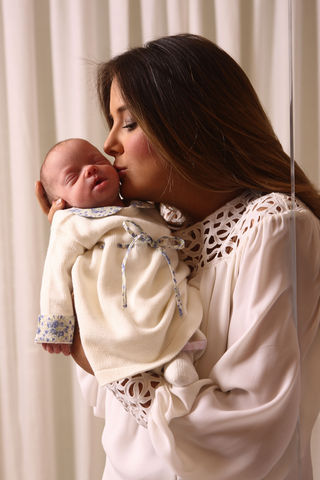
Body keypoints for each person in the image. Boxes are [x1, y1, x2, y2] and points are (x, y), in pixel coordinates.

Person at [36, 34, 320, 480]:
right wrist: (82, 252)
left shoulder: (274, 226)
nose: (108, 144)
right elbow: (106, 407)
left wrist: (106, 363)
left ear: (188, 123)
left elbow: (249, 433)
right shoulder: (150, 234)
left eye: (127, 123)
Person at [35, 137, 206, 390]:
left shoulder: (144, 203)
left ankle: (179, 358)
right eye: (73, 177)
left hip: (158, 282)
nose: (90, 170)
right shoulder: (72, 222)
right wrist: (56, 319)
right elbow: (55, 271)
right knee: (119, 330)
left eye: (97, 161)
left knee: (181, 306)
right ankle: (149, 371)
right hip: (116, 298)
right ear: (62, 202)